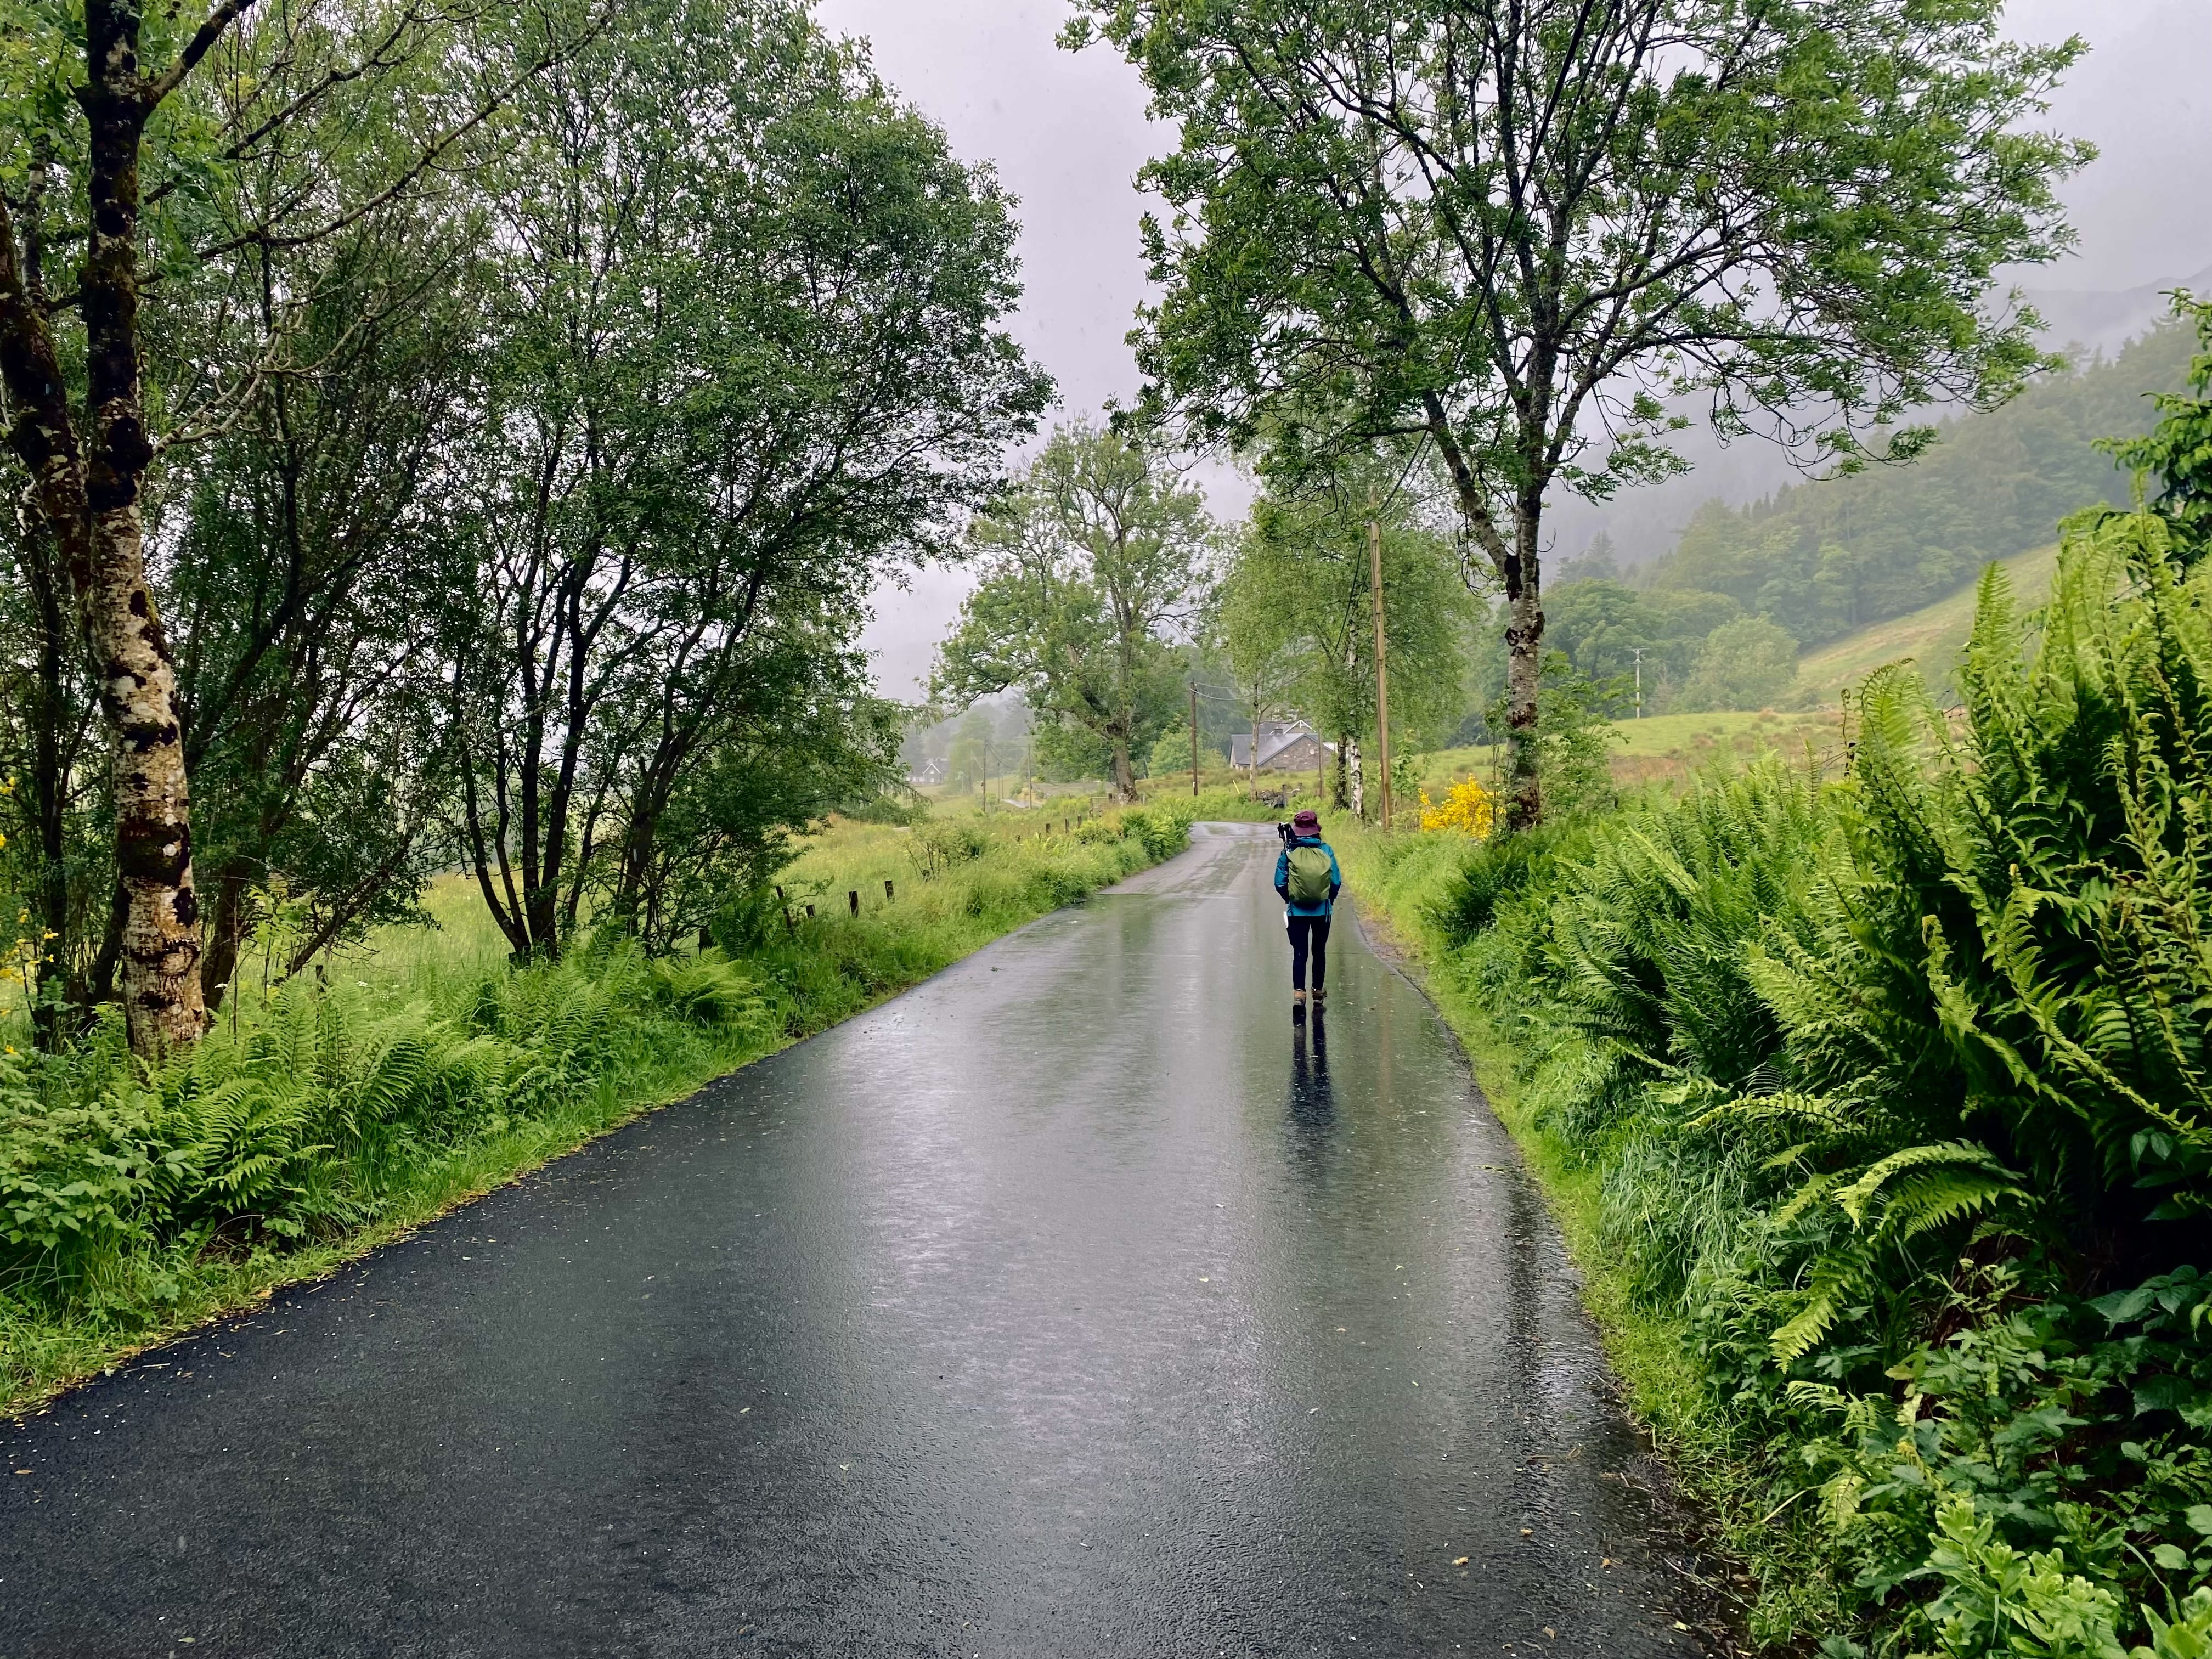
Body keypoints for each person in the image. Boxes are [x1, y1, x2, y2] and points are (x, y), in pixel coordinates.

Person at [1272, 808, 1341, 1014]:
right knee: (1319, 952)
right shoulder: (1326, 850)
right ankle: (1318, 993)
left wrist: (1291, 899)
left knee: (1300, 953)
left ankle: (1299, 994)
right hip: (1323, 912)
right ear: (1315, 829)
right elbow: (1336, 881)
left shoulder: (1288, 852)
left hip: (1297, 913)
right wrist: (1329, 901)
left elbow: (1279, 883)